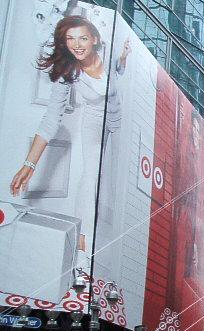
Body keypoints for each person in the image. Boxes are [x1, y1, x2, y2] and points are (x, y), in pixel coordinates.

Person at [9, 14, 130, 271]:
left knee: (115, 182)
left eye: (82, 38)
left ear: (94, 39)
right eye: (70, 39)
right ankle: (83, 247)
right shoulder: (68, 72)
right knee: (89, 178)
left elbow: (121, 73)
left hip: (121, 123)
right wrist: (29, 165)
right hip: (94, 119)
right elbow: (51, 119)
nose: (77, 45)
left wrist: (122, 60)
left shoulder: (111, 53)